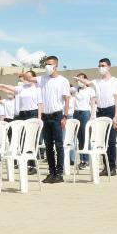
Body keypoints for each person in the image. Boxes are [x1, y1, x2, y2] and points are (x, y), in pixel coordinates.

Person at [37, 55, 72, 183]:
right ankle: (51, 172)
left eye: (50, 64)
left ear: (56, 66)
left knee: (59, 145)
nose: (47, 66)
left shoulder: (63, 81)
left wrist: (65, 116)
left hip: (57, 116)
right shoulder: (42, 79)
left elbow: (67, 99)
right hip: (46, 116)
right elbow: (31, 79)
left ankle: (59, 173)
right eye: (46, 64)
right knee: (48, 146)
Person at [91, 58, 117, 176]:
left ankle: (112, 167)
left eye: (103, 65)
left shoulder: (114, 81)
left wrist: (116, 116)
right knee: (103, 141)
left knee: (111, 141)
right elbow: (90, 87)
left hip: (110, 111)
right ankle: (106, 166)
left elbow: (116, 98)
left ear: (109, 67)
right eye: (99, 66)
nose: (101, 68)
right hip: (100, 112)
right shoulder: (96, 82)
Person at [70, 74, 94, 169]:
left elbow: (92, 103)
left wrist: (92, 116)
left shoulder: (90, 90)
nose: (79, 81)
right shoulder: (75, 89)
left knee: (86, 137)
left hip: (85, 114)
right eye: (77, 79)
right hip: (76, 113)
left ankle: (87, 160)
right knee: (79, 137)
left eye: (81, 79)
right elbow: (67, 88)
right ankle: (82, 160)